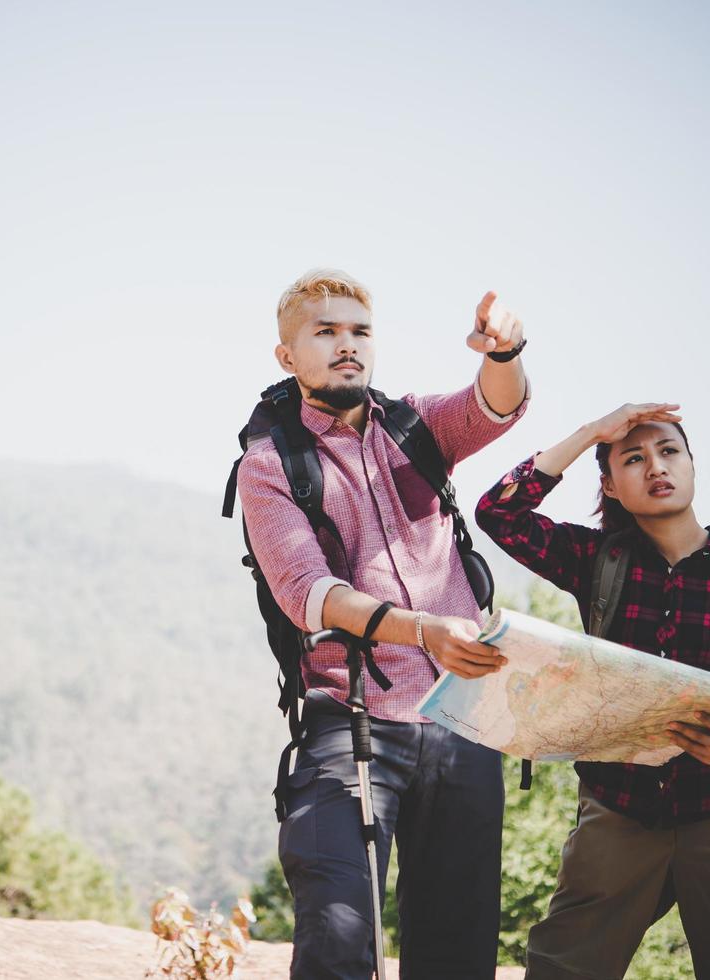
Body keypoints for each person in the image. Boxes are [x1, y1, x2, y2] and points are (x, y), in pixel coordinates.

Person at [237, 268, 530, 979]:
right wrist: (422, 630)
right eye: (325, 332)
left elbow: (495, 408)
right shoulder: (269, 463)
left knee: (455, 950)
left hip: (463, 725)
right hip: (349, 720)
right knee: (338, 936)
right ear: (287, 357)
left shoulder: (416, 426)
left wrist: (503, 353)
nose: (347, 345)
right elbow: (309, 593)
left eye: (359, 332)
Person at [473, 402, 710, 980]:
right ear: (610, 485)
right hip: (619, 804)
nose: (656, 467)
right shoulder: (595, 559)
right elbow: (498, 513)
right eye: (633, 458)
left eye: (669, 452)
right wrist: (589, 434)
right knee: (560, 967)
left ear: (692, 465)